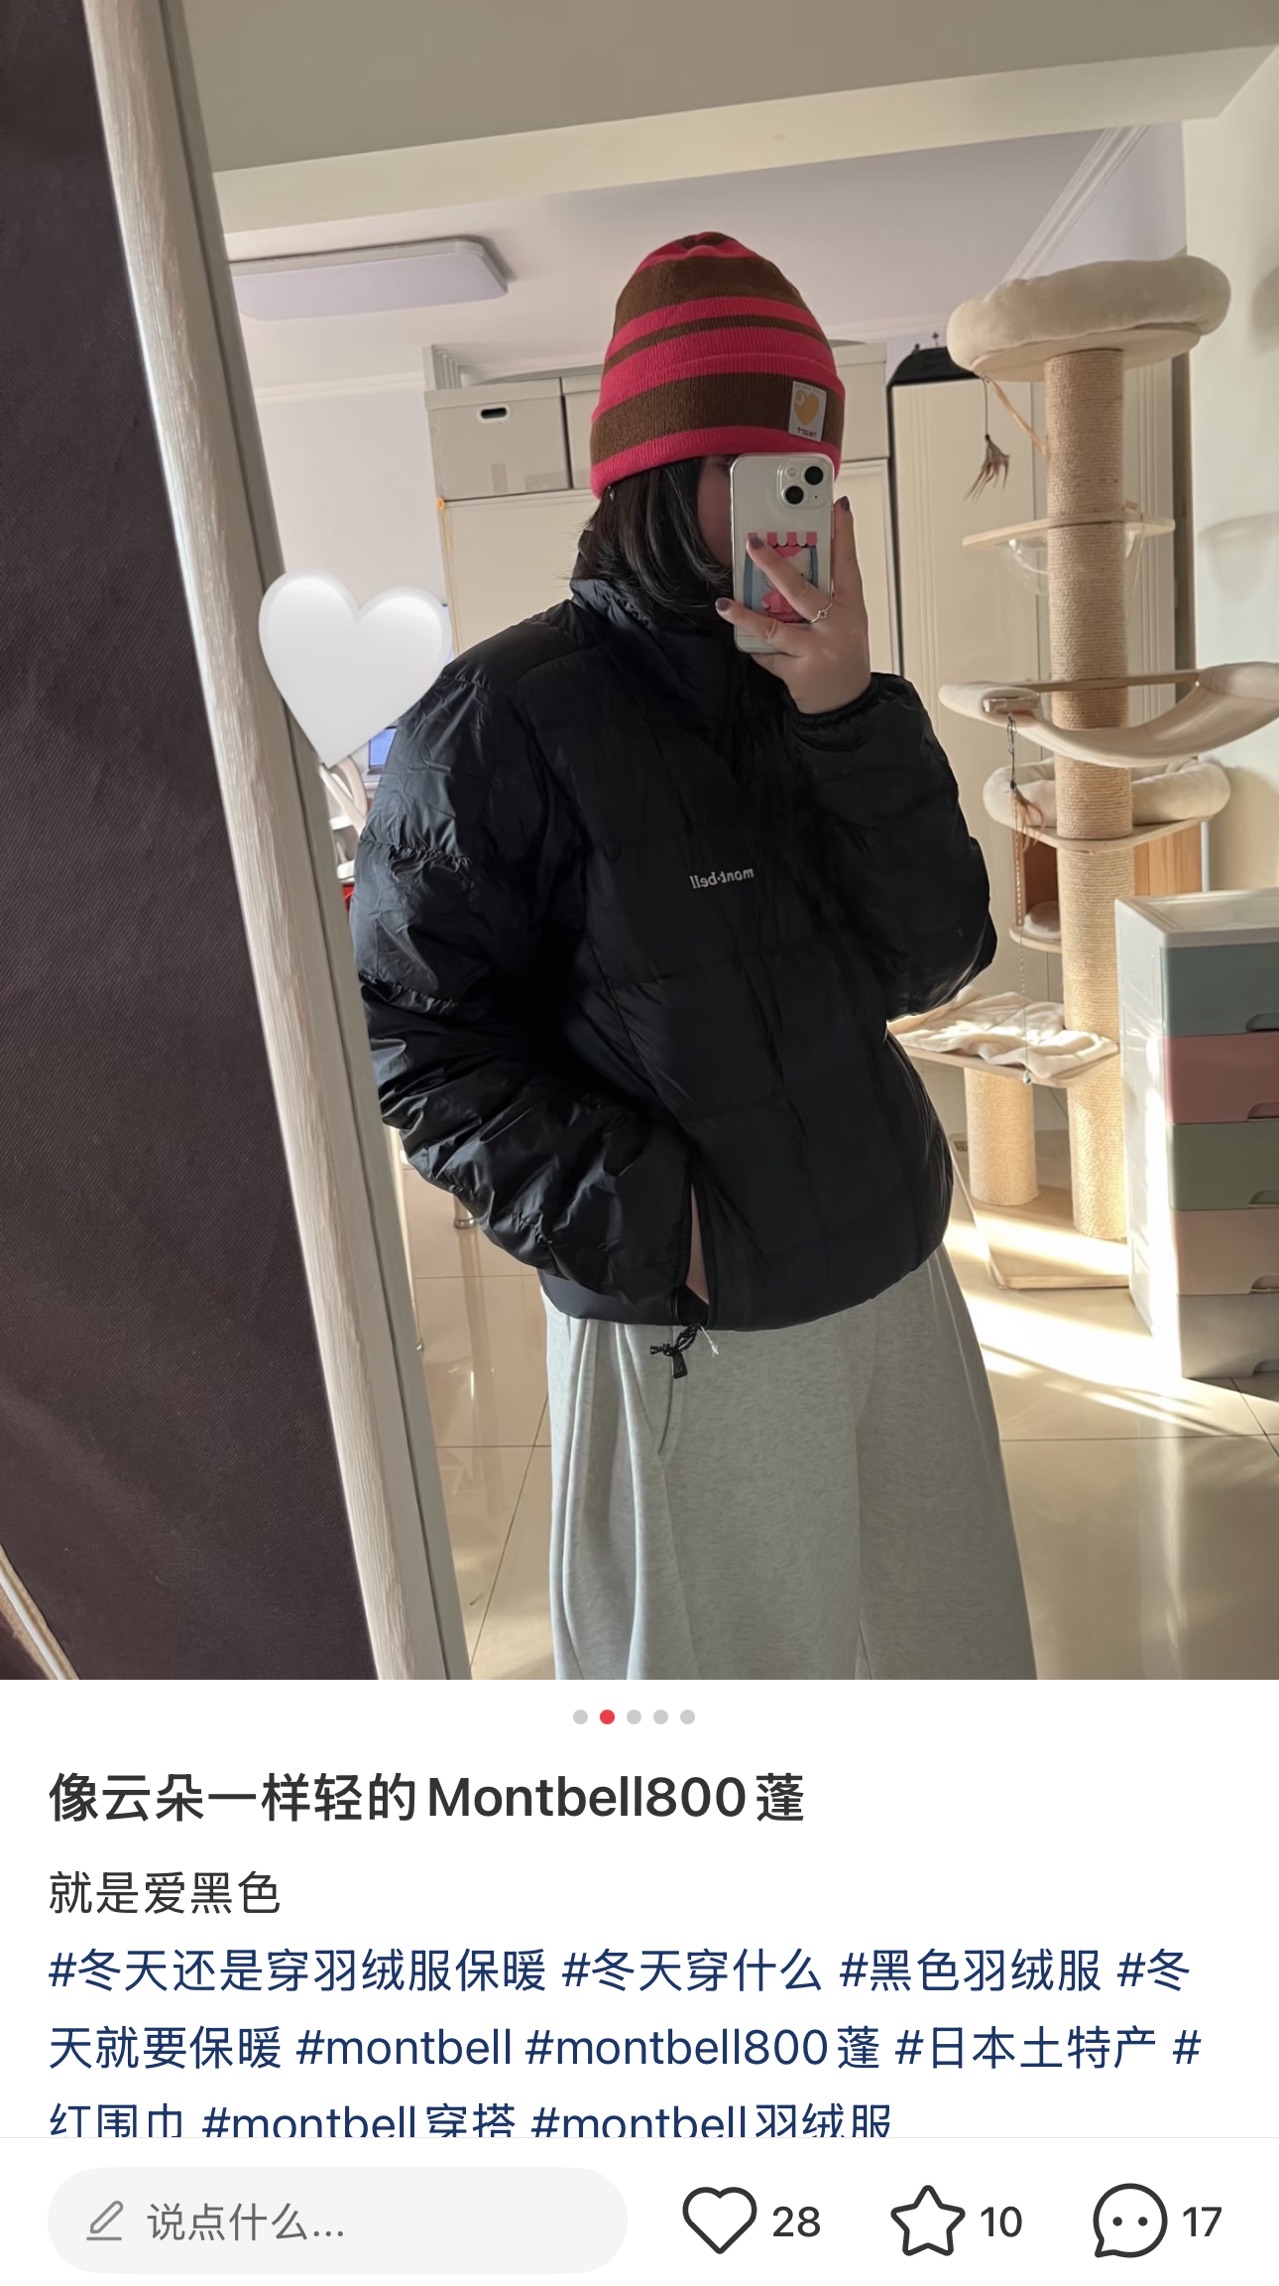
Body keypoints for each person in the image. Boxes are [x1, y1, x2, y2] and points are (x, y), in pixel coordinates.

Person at [352, 232, 1036, 1683]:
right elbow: (416, 1042)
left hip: (899, 1273)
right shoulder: (495, 719)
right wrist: (660, 1231)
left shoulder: (823, 689)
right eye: (768, 467)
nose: (807, 501)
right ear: (662, 477)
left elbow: (934, 958)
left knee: (948, 1675)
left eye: (817, 469)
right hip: (693, 1325)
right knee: (722, 1735)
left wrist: (847, 711)